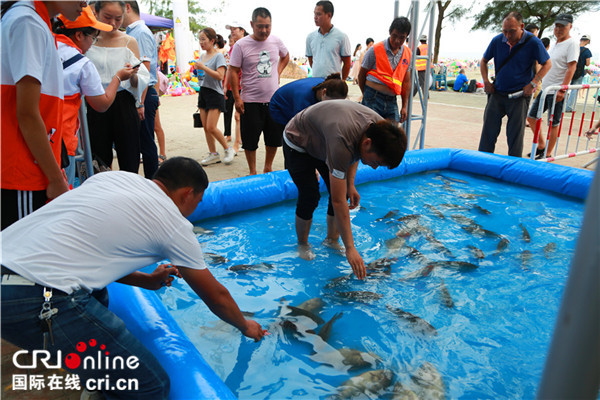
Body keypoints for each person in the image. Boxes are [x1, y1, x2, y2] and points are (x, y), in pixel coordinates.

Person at [0, 157, 265, 399]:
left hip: (8, 267)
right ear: (187, 194)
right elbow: (216, 296)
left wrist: (146, 281)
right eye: (197, 202)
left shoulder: (113, 178)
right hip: (36, 299)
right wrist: (245, 325)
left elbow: (91, 243)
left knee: (99, 295)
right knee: (150, 385)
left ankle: (102, 381)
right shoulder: (175, 224)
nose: (194, 210)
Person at [283, 100, 407, 278]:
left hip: (324, 141)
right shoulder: (341, 141)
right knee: (310, 194)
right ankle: (302, 244)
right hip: (298, 140)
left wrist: (350, 184)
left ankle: (331, 240)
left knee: (342, 191)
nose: (373, 168)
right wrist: (351, 248)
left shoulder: (379, 128)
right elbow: (338, 200)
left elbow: (355, 151)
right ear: (368, 144)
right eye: (376, 163)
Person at [1, 1, 86, 230]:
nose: (85, 4)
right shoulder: (27, 22)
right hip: (23, 171)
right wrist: (56, 179)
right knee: (20, 258)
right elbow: (27, 113)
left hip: (30, 166)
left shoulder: (32, 21)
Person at [54, 6, 136, 186]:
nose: (93, 43)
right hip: (61, 139)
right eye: (93, 37)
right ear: (79, 36)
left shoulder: (44, 46)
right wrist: (118, 77)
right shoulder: (82, 63)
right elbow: (102, 104)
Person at [86, 1, 150, 173]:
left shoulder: (129, 41)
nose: (113, 24)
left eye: (118, 19)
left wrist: (134, 76)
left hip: (123, 102)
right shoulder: (87, 39)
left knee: (129, 156)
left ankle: (129, 195)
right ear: (96, 13)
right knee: (97, 158)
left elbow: (139, 81)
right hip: (95, 102)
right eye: (107, 17)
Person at [477, 11, 551, 158]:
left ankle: (513, 168)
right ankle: (482, 163)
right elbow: (484, 61)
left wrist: (533, 83)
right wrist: (486, 81)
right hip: (497, 93)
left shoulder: (533, 42)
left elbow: (547, 64)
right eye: (505, 31)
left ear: (521, 26)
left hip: (519, 96)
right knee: (488, 132)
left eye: (512, 31)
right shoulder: (498, 40)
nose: (508, 36)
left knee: (515, 136)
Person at [229, 7, 290, 175]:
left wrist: (278, 71)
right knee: (250, 140)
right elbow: (232, 71)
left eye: (267, 26)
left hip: (273, 100)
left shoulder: (276, 41)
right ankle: (253, 170)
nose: (264, 30)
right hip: (249, 101)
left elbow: (286, 56)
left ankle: (268, 166)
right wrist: (237, 98)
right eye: (260, 26)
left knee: (273, 138)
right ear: (252, 24)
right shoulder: (241, 45)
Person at [526, 13, 578, 159]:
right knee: (531, 117)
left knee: (553, 123)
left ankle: (547, 153)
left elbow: (571, 67)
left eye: (563, 26)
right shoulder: (556, 44)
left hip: (556, 90)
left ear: (570, 27)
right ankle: (542, 146)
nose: (559, 29)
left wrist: (563, 89)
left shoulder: (572, 44)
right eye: (557, 26)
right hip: (546, 88)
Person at [123, 0, 160, 178]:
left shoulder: (141, 32)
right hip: (140, 95)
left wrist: (140, 102)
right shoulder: (132, 32)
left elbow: (144, 69)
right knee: (139, 143)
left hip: (143, 95)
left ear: (127, 7)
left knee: (146, 144)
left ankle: (153, 183)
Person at [357, 17, 412, 123]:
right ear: (390, 32)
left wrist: (404, 106)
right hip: (372, 96)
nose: (397, 41)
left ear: (406, 37)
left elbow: (406, 81)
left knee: (392, 135)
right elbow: (361, 75)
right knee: (371, 132)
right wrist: (366, 95)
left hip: (392, 100)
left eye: (402, 38)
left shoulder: (407, 54)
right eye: (394, 36)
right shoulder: (375, 50)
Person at [195, 27, 236, 165]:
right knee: (206, 127)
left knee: (211, 126)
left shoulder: (219, 56)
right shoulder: (202, 56)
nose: (201, 42)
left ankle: (228, 148)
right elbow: (204, 76)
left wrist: (203, 68)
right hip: (203, 92)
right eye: (199, 39)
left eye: (203, 39)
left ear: (212, 40)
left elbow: (220, 76)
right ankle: (213, 154)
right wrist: (198, 71)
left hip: (215, 94)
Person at [269, 73, 348, 126]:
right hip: (279, 108)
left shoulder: (328, 83)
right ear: (324, 92)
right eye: (331, 104)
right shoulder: (303, 99)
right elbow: (300, 124)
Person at [305, 1, 351, 80]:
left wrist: (342, 81)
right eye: (314, 14)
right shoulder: (310, 37)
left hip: (334, 84)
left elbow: (347, 63)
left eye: (318, 14)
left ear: (329, 15)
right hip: (316, 83)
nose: (315, 17)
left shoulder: (341, 37)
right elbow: (311, 60)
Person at [224, 22, 248, 153]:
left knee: (239, 115)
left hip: (245, 86)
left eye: (235, 29)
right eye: (231, 29)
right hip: (235, 86)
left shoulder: (248, 44)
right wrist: (225, 86)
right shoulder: (234, 47)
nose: (232, 31)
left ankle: (238, 144)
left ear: (242, 30)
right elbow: (230, 69)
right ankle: (239, 142)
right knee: (238, 115)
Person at [565, 34, 592, 112]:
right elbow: (587, 64)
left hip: (569, 71)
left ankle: (561, 105)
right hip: (579, 73)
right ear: (587, 41)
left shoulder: (574, 48)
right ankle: (568, 107)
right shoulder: (587, 51)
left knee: (565, 88)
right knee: (574, 90)